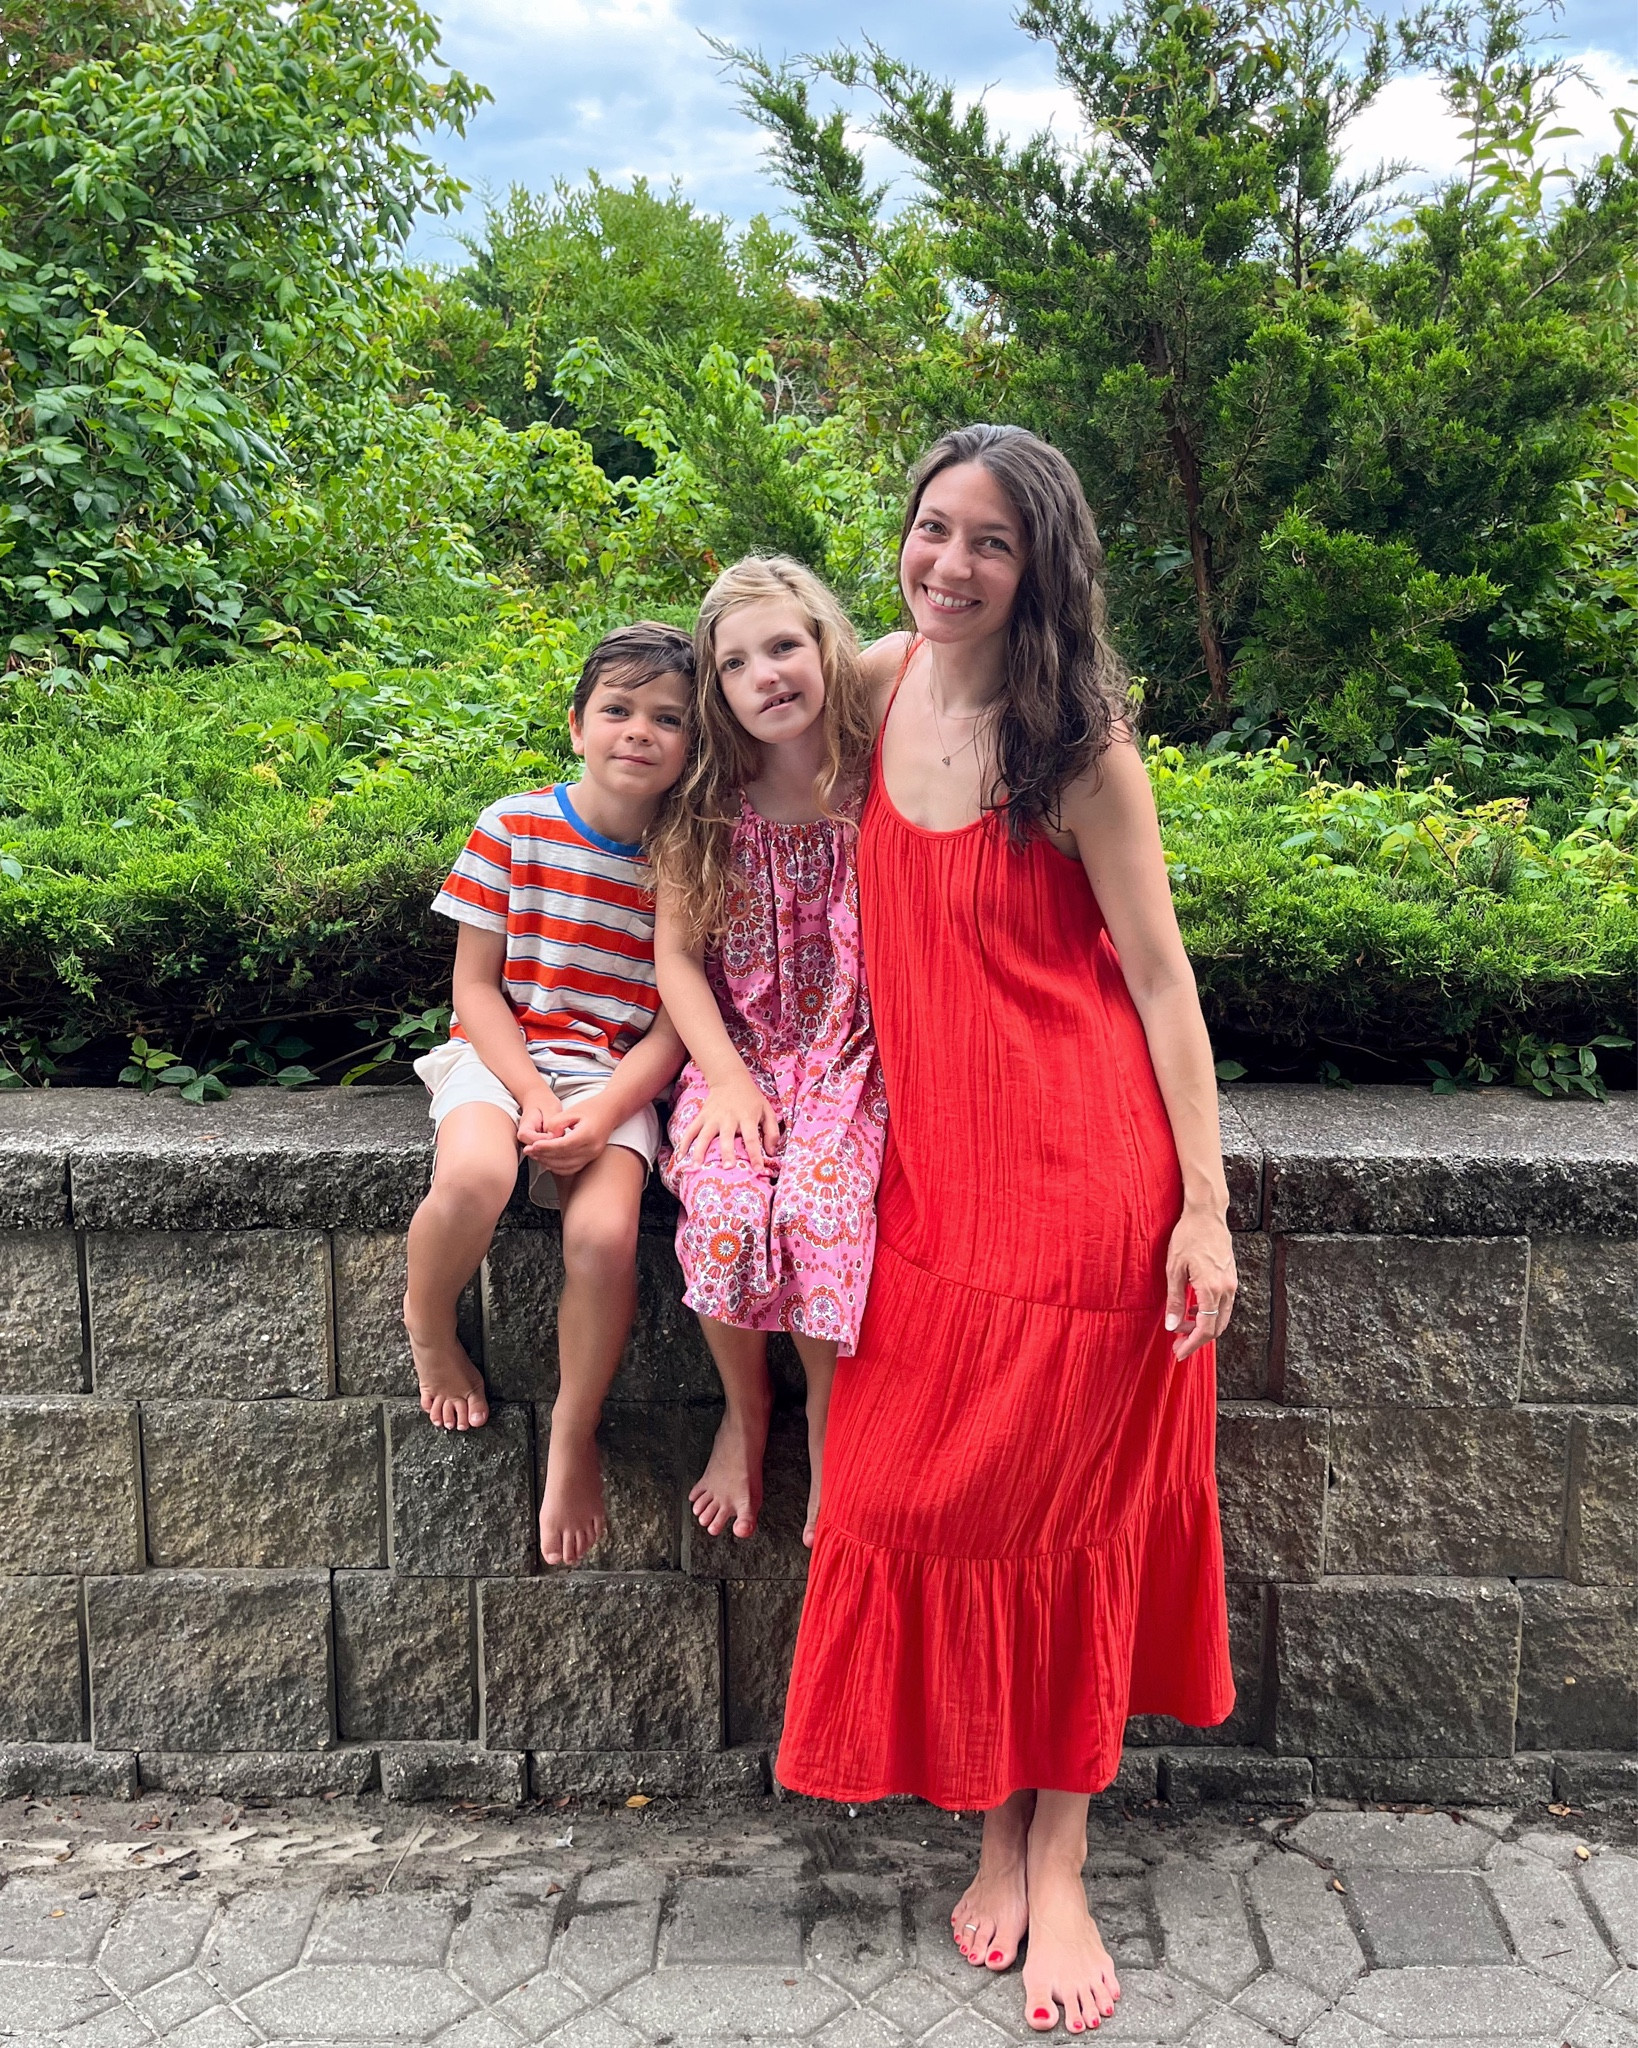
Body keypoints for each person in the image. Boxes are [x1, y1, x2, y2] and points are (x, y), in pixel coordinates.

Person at [775, 427, 1238, 2034]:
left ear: (1040, 565)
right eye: (928, 529)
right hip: (933, 1188)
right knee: (926, 1503)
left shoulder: (1081, 742)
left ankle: (1056, 1858)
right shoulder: (880, 679)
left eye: (987, 541)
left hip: (1083, 1188)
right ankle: (992, 1819)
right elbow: (722, 731)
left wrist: (1204, 1206)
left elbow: (1163, 976)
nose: (947, 563)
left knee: (1067, 1526)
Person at [403, 622, 693, 1568]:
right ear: (578, 724)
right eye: (618, 709)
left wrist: (602, 1115)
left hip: (613, 1079)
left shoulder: (686, 863)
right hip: (501, 1059)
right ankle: (429, 1322)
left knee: (604, 1236)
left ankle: (574, 1433)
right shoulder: (513, 825)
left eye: (669, 719)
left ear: (696, 746)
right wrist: (530, 1093)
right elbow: (475, 991)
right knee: (476, 1178)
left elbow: (675, 1026)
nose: (639, 731)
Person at [651, 556, 886, 1549]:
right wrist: (734, 1077)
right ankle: (745, 1417)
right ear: (717, 688)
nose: (768, 675)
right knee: (726, 1210)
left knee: (821, 1213)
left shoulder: (881, 778)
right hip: (737, 1052)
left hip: (849, 1056)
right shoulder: (712, 805)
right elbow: (675, 958)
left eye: (786, 645)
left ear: (828, 646)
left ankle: (834, 1442)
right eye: (737, 662)